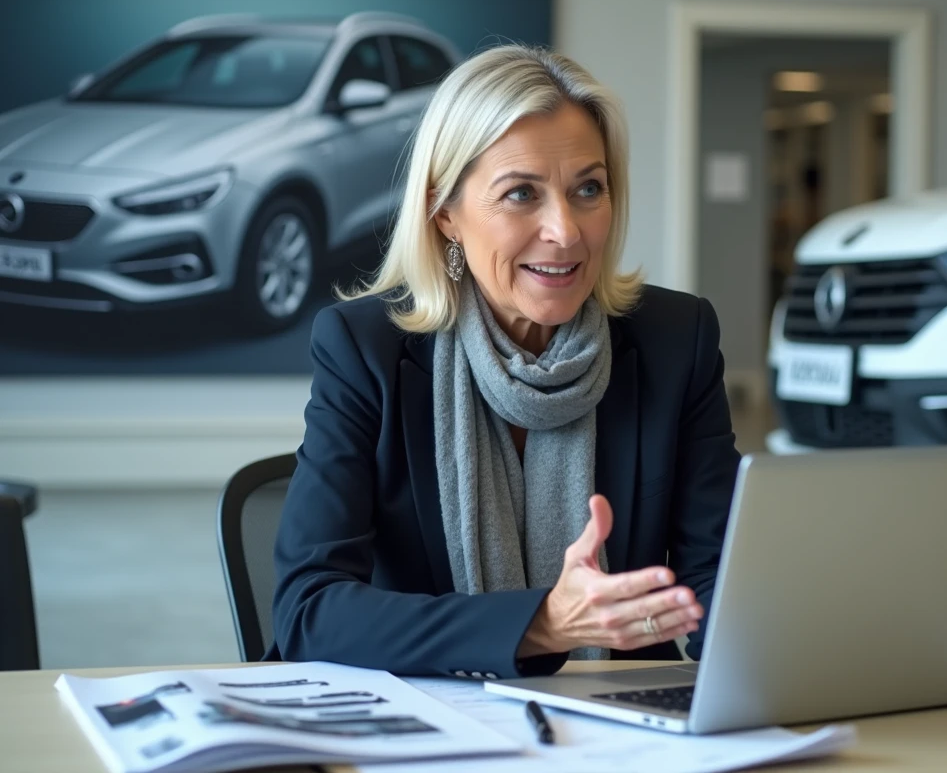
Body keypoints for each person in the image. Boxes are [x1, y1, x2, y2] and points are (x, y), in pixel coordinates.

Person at [268, 44, 741, 679]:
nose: (566, 231)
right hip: (436, 714)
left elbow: (720, 578)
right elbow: (309, 611)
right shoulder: (365, 350)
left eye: (588, 189)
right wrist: (544, 624)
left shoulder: (675, 338)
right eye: (521, 193)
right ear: (445, 216)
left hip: (621, 722)